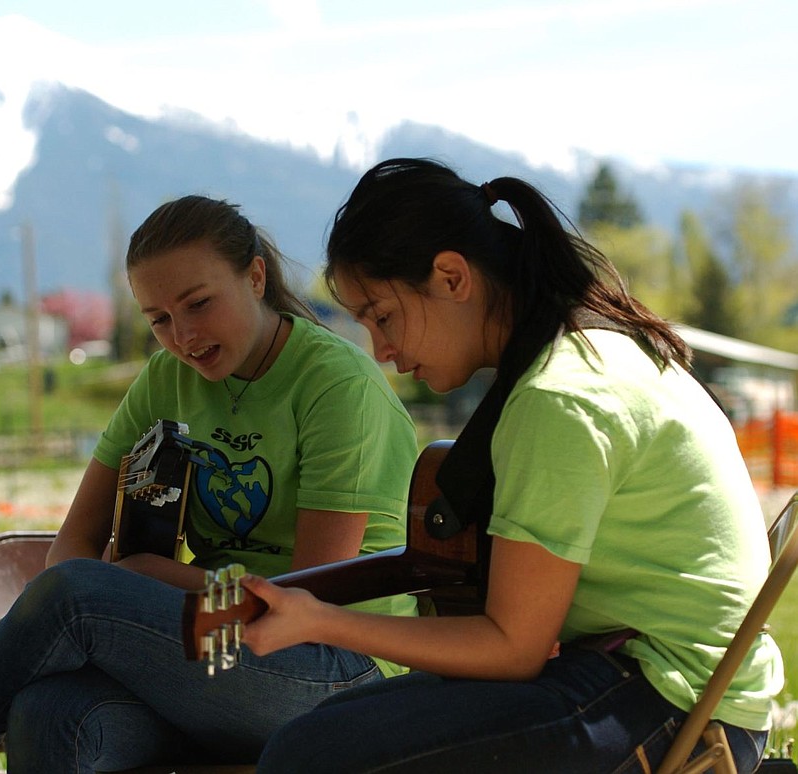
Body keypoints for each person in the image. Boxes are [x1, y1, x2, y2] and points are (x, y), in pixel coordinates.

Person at [244, 158, 785, 773]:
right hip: (661, 683)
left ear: (451, 277)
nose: (382, 352)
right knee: (316, 735)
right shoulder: (589, 348)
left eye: (383, 316)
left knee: (310, 754)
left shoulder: (561, 394)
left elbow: (512, 647)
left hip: (675, 702)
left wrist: (319, 621)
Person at [0, 194, 419, 773]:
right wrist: (141, 599)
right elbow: (73, 546)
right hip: (218, 646)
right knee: (48, 711)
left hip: (339, 666)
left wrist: (158, 579)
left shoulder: (335, 385)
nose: (184, 335)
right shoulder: (166, 377)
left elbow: (308, 599)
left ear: (255, 276)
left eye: (199, 304)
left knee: (76, 599)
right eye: (160, 320)